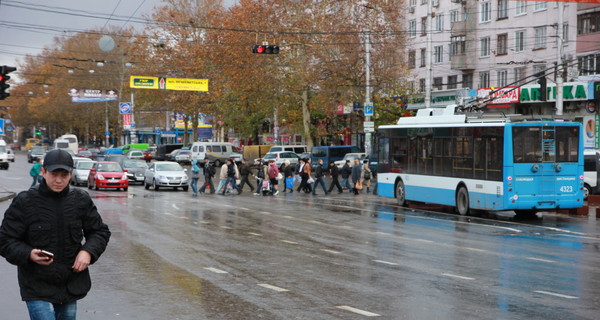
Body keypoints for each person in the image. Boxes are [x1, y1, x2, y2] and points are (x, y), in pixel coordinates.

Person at [0, 149, 111, 320]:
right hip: (37, 285)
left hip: (70, 284)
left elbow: (99, 232)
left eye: (64, 175)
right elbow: (5, 240)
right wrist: (28, 254)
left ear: (70, 174)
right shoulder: (25, 201)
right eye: (54, 174)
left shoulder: (80, 200)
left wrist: (87, 252)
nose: (59, 180)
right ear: (43, 172)